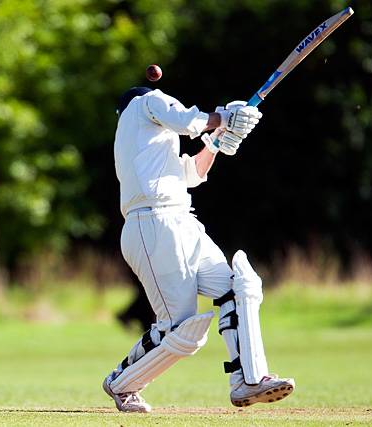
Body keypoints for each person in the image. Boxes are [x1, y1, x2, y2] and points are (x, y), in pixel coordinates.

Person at [102, 87, 295, 412]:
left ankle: (248, 380)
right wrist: (222, 117)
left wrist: (218, 139)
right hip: (153, 224)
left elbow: (192, 174)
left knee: (238, 288)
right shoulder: (144, 103)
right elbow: (186, 119)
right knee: (182, 330)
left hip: (183, 221)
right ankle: (122, 382)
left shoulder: (151, 149)